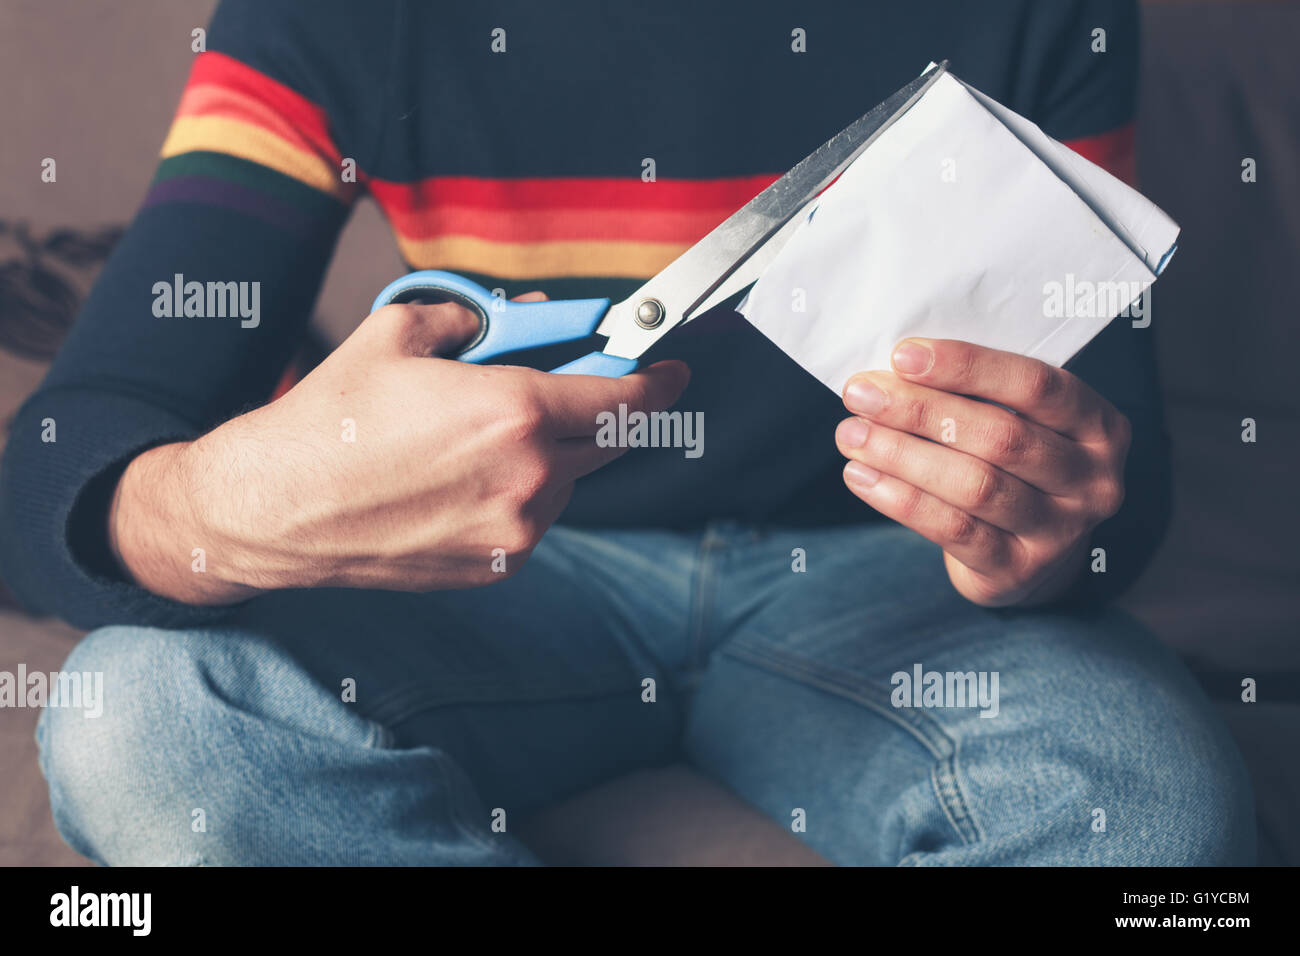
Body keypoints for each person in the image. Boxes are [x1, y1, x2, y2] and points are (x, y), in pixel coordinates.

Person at [0, 0, 1254, 865]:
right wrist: (225, 509)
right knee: (139, 718)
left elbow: (1114, 485)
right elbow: (58, 467)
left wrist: (1040, 525)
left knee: (1148, 802)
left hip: (891, 581)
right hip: (484, 575)